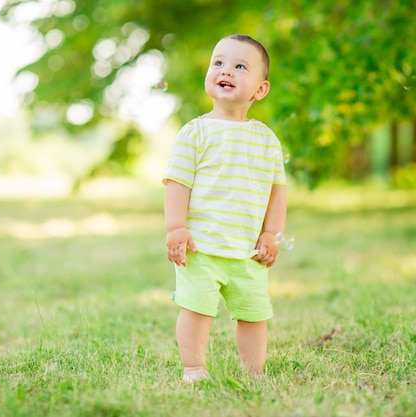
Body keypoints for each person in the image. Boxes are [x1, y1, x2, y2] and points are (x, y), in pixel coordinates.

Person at [162, 34, 287, 383]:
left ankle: (254, 371)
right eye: (218, 62)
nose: (225, 70)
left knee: (254, 313)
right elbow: (177, 184)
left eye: (239, 66)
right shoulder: (195, 132)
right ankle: (194, 367)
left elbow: (277, 192)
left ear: (260, 90)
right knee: (197, 309)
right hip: (200, 246)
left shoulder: (266, 139)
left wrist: (272, 234)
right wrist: (176, 228)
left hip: (247, 250)